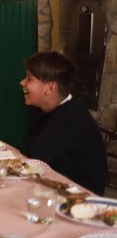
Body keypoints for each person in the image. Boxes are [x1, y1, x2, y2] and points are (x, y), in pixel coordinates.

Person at [19, 51, 107, 195]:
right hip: (52, 183)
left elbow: (33, 154)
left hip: (79, 196)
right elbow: (27, 151)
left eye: (29, 79)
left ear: (50, 88)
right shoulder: (41, 109)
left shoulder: (72, 117)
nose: (22, 82)